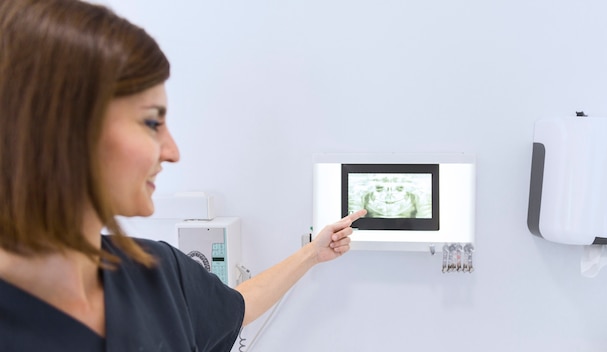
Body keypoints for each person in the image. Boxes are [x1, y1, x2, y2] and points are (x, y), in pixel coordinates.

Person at [0, 1, 366, 351]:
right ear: (61, 127)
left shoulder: (159, 274)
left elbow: (239, 306)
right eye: (151, 122)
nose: (173, 151)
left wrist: (312, 253)